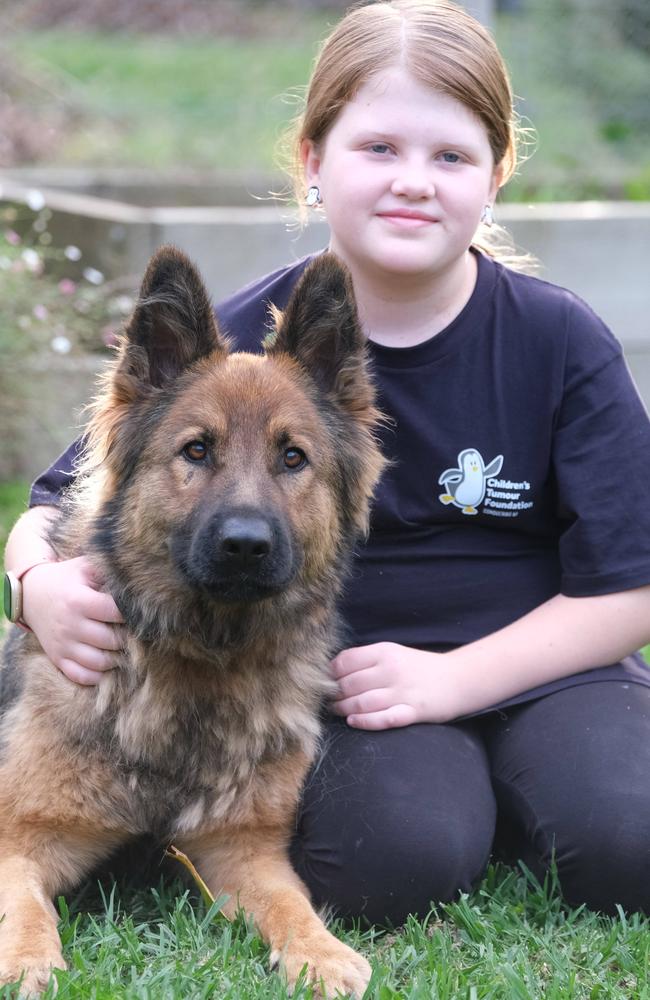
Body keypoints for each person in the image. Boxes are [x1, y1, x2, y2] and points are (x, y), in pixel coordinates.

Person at [5, 0, 650, 925]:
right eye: (378, 148)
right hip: (361, 688)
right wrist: (32, 585)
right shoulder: (234, 349)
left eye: (452, 156)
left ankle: (546, 780)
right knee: (390, 864)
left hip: (550, 668)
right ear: (312, 162)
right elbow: (64, 497)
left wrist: (455, 683)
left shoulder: (558, 338)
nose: (413, 183)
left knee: (630, 842)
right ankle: (476, 798)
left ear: (498, 174)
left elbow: (631, 586)